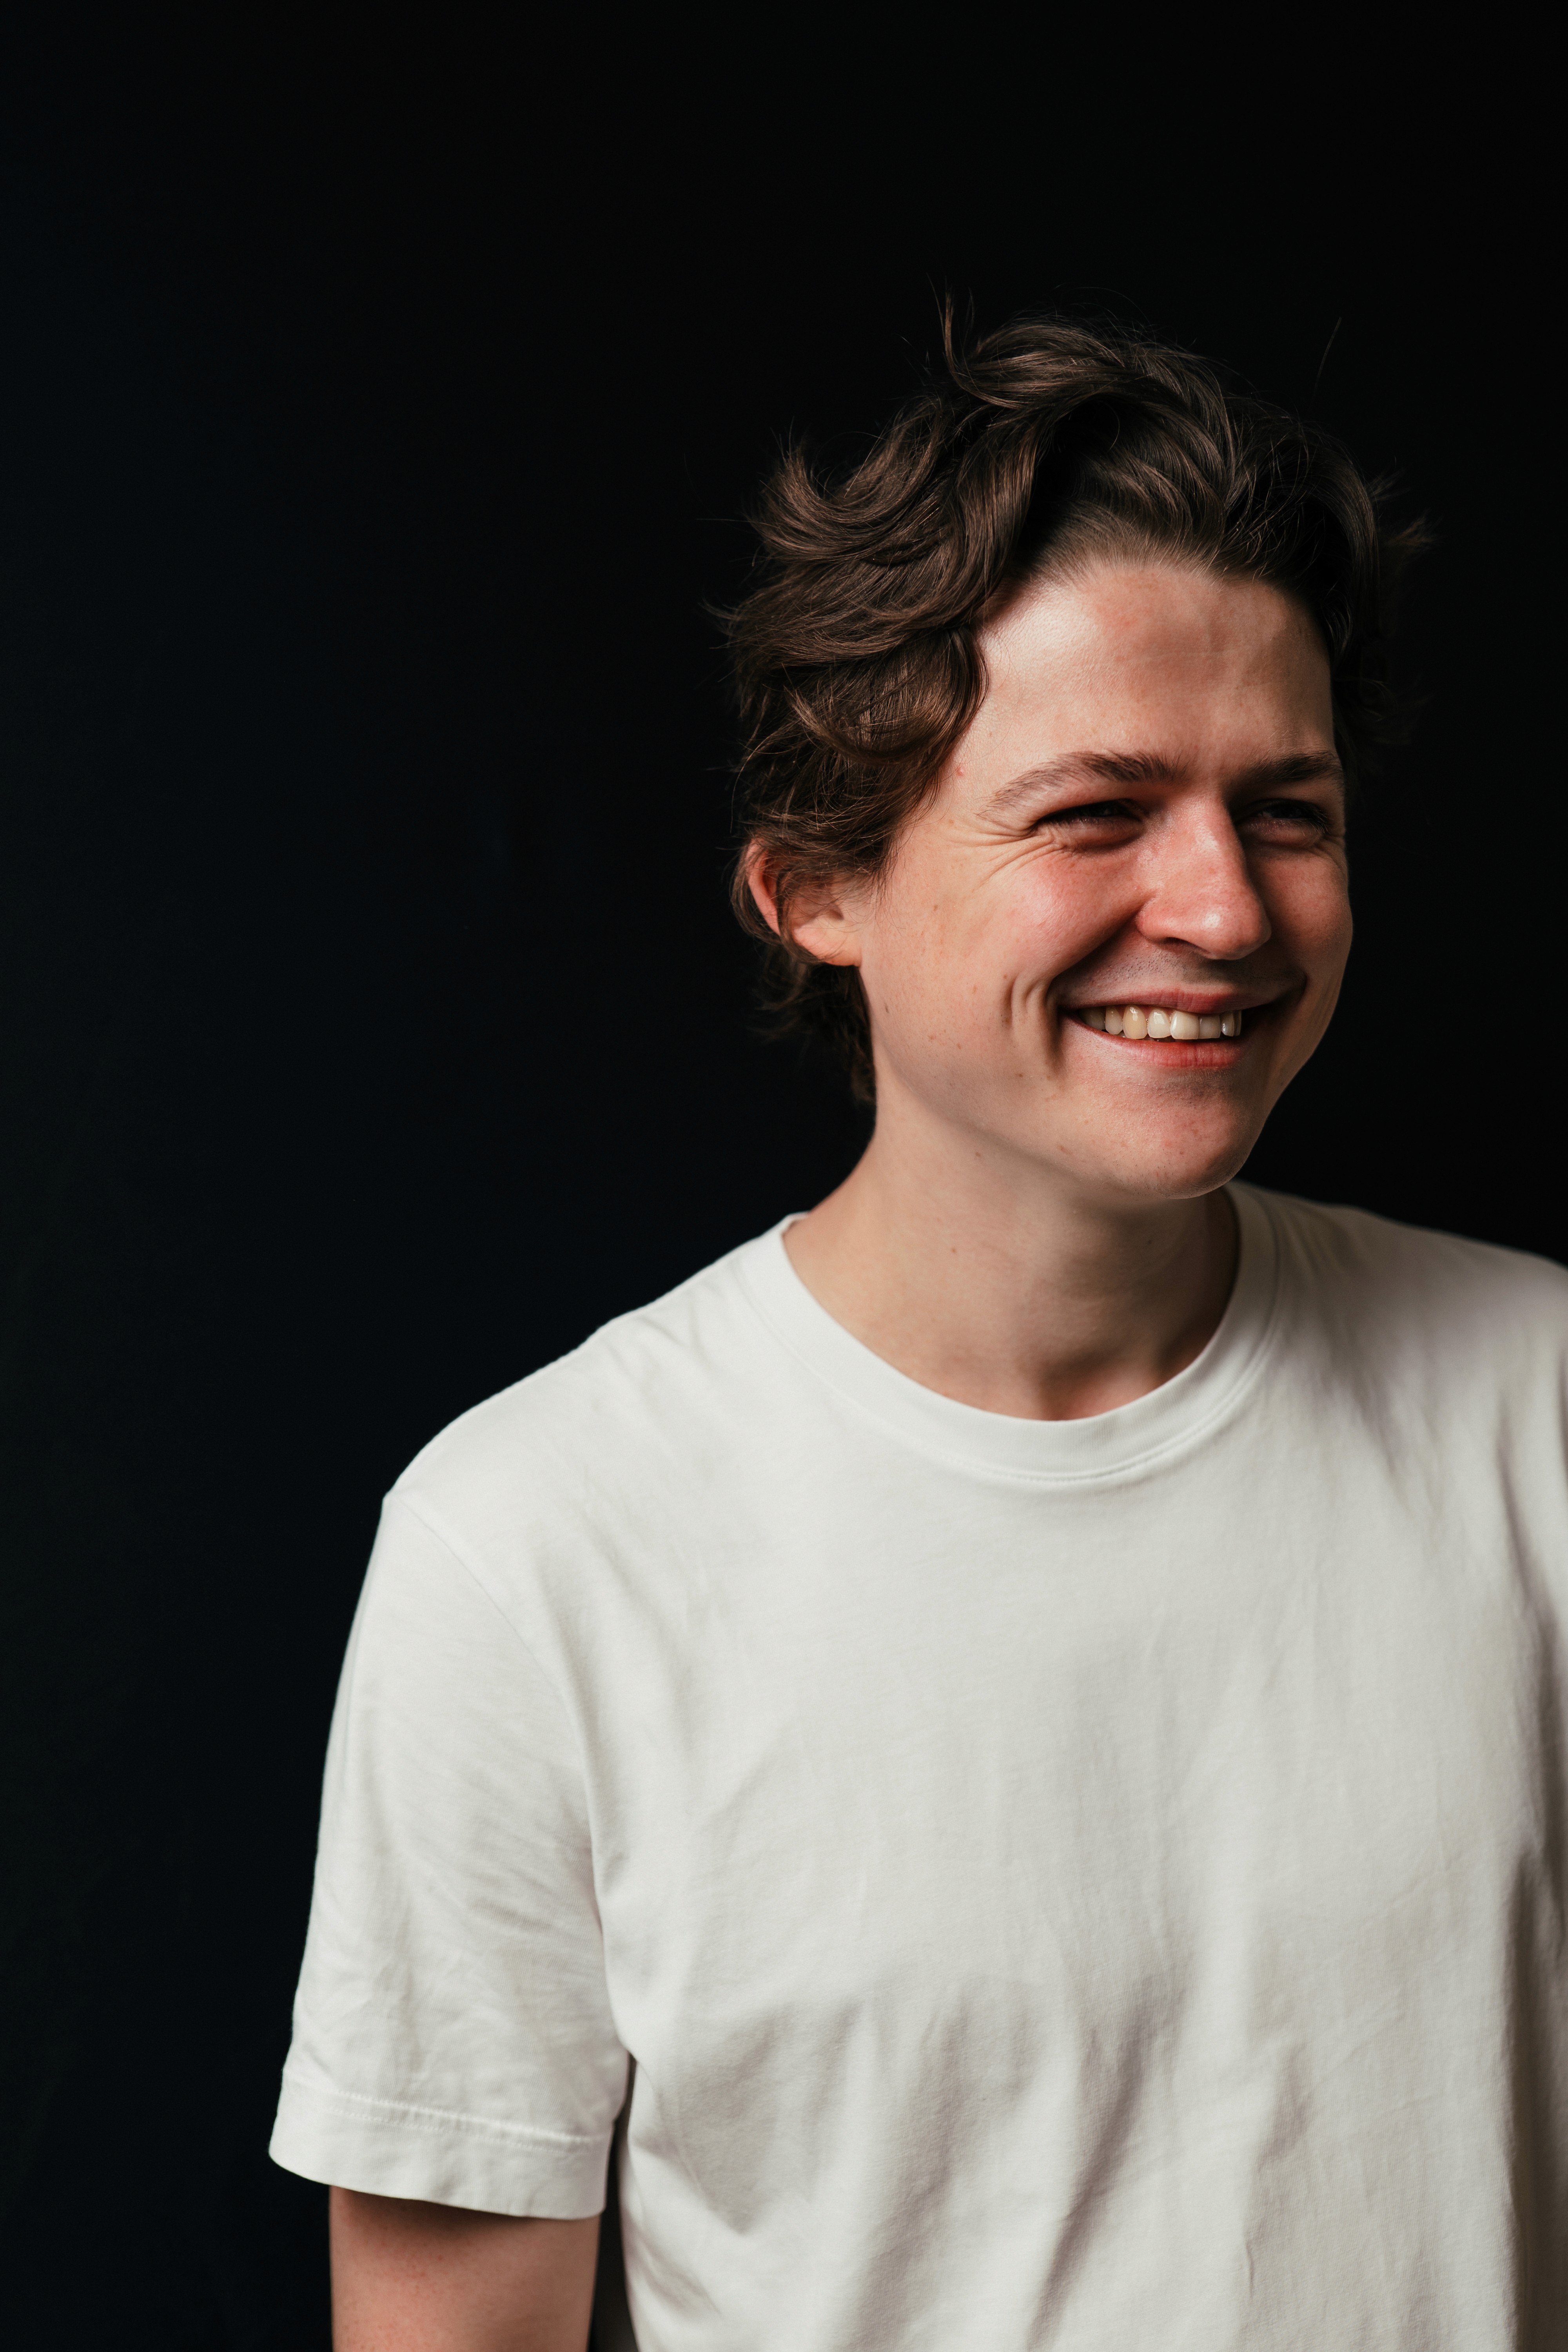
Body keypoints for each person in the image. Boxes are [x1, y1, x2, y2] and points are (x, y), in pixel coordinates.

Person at [271, 317, 1568, 2349]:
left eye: (1286, 808)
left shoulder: (1540, 1412)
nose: (1224, 909)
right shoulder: (528, 1553)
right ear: (814, 890)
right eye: (1096, 812)